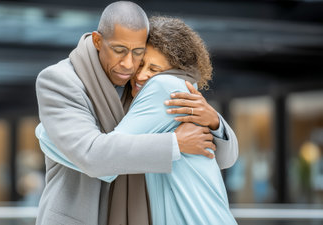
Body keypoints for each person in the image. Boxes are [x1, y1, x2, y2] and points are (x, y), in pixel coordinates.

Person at [35, 2, 238, 225]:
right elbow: (92, 157)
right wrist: (174, 144)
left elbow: (222, 158)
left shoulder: (151, 88)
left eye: (138, 54)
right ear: (97, 41)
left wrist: (215, 121)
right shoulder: (59, 80)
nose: (130, 65)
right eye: (119, 51)